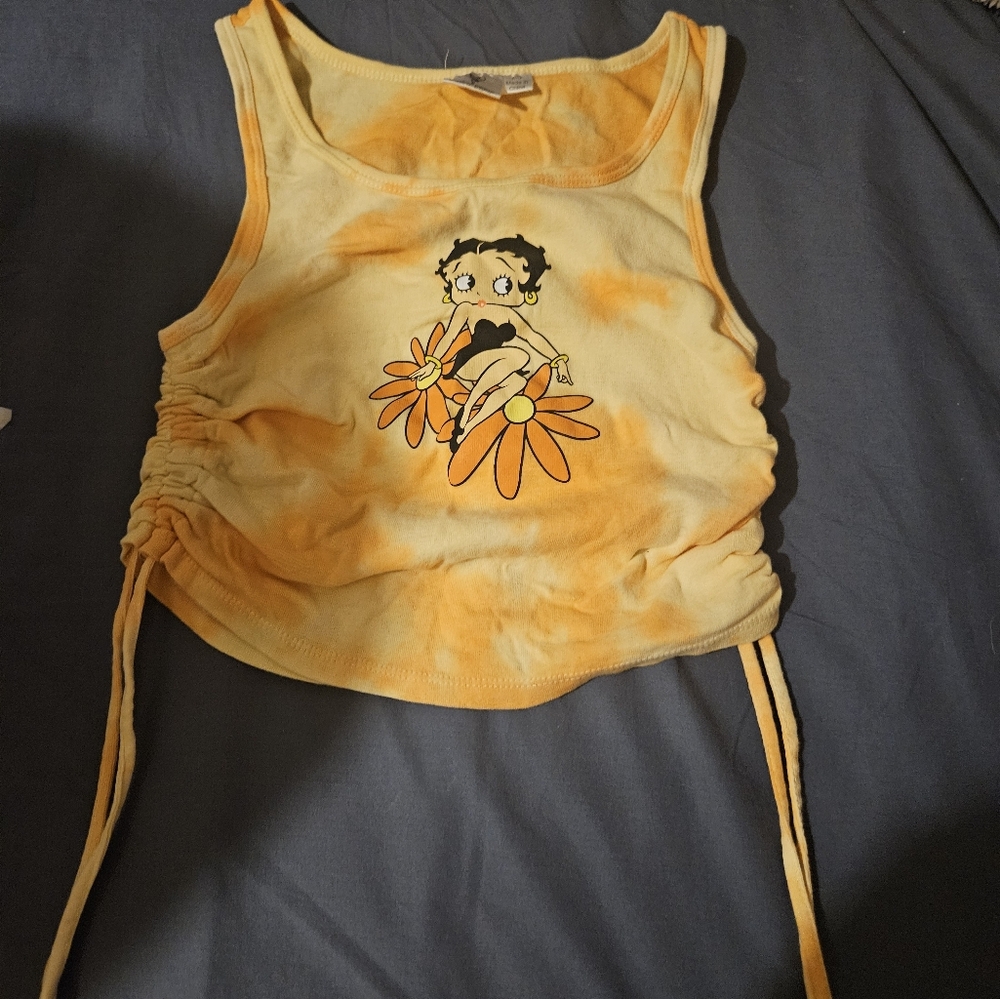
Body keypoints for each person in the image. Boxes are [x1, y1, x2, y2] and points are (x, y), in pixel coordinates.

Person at [411, 235, 571, 449]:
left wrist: (557, 360)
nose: (481, 291)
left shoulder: (509, 315)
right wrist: (434, 363)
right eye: (466, 281)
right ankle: (469, 407)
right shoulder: (467, 308)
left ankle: (468, 427)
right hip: (469, 362)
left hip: (496, 365)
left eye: (503, 283)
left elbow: (533, 337)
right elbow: (449, 336)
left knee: (518, 383)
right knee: (521, 355)